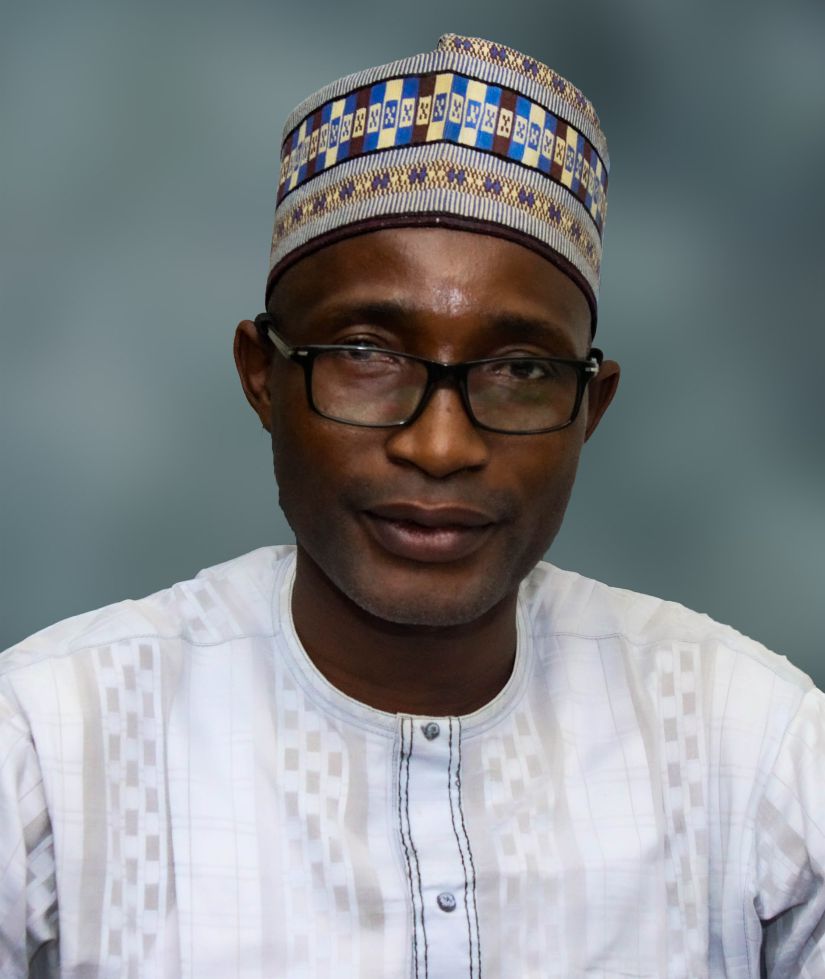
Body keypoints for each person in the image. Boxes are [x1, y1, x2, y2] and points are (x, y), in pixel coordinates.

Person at [1, 32, 823, 979]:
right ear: (262, 375)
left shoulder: (747, 745)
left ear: (588, 409)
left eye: (519, 369)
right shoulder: (54, 748)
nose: (439, 445)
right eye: (365, 354)